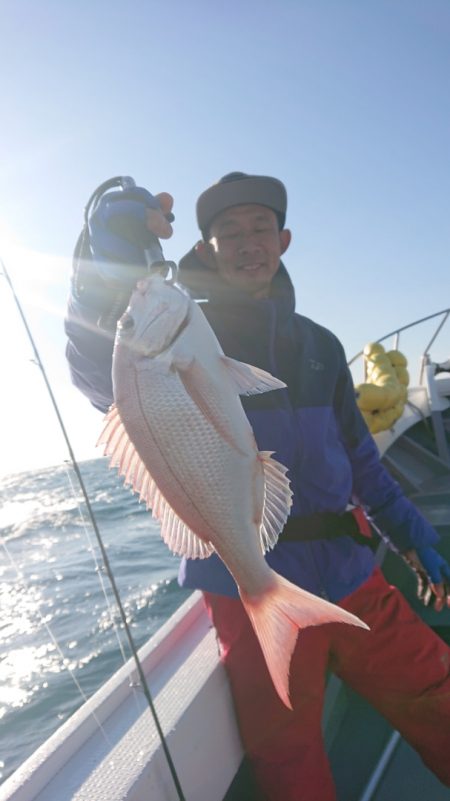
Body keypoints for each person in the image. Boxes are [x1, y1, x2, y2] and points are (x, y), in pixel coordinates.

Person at [65, 172, 450, 801]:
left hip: (352, 574)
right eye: (227, 232)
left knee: (439, 696)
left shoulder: (321, 346)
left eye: (259, 227)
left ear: (284, 239)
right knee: (286, 757)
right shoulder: (183, 330)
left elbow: (362, 463)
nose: (246, 243)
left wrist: (414, 537)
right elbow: (97, 366)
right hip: (246, 589)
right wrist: (95, 266)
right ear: (205, 249)